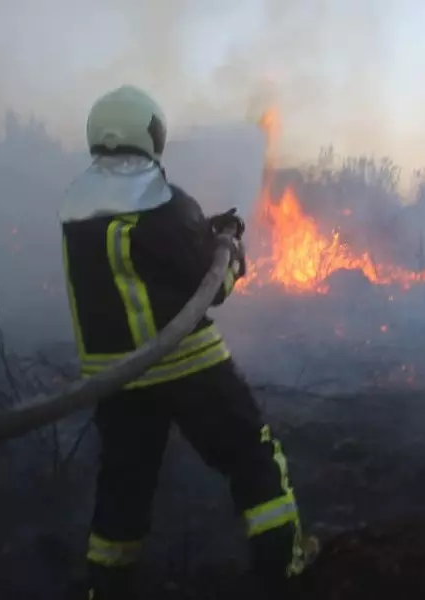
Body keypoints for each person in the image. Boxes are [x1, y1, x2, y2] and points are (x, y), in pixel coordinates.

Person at [59, 85, 313, 599]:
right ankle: (284, 566)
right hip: (187, 365)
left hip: (115, 379)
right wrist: (229, 251)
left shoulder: (77, 208)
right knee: (253, 458)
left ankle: (105, 588)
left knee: (123, 490)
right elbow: (209, 288)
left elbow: (141, 264)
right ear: (150, 133)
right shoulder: (163, 201)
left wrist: (204, 233)